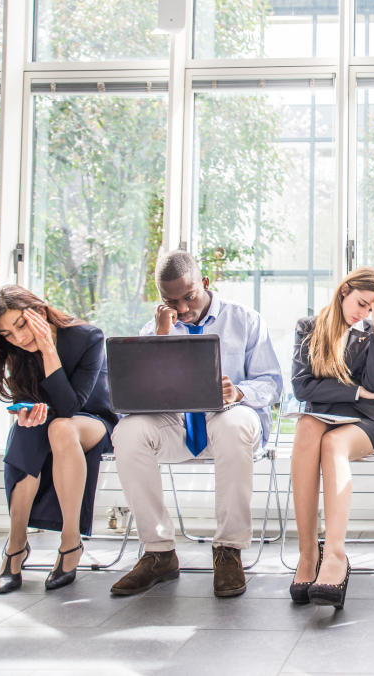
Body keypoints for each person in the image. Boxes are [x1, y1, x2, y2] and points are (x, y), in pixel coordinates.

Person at [110, 250, 282, 598]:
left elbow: (273, 384)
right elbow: (138, 396)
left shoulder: (244, 320)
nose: (183, 308)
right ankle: (159, 553)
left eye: (188, 296)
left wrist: (239, 392)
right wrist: (161, 338)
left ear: (204, 283)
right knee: (127, 433)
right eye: (171, 301)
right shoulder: (156, 327)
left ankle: (228, 550)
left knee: (233, 426)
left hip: (228, 421)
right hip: (177, 426)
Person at [0, 285, 117, 594]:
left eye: (21, 325)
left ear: (39, 311)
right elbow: (32, 400)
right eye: (7, 334)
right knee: (28, 431)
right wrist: (23, 411)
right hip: (48, 421)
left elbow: (71, 406)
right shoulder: (17, 350)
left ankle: (70, 542)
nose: (19, 338)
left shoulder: (88, 337)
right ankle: (16, 545)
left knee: (61, 427)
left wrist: (48, 349)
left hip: (94, 421)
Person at [289, 267, 374, 609]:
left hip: (367, 423)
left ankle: (334, 556)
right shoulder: (309, 328)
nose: (361, 313)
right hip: (322, 417)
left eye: (368, 308)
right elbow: (302, 386)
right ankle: (307, 555)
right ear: (344, 290)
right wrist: (357, 390)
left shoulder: (369, 333)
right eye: (360, 304)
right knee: (306, 426)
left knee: (333, 444)